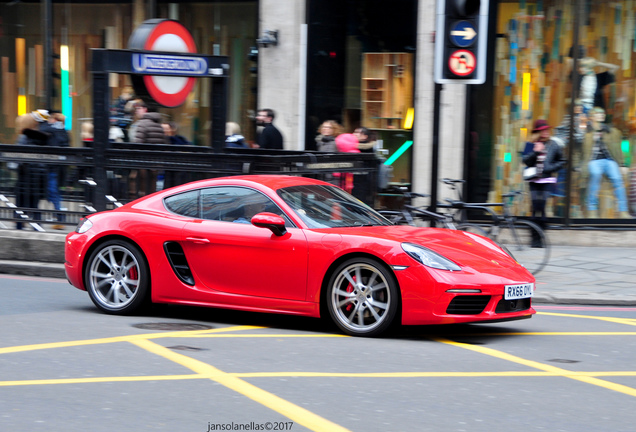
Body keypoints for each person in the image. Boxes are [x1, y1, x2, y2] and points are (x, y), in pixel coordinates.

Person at [581, 107, 631, 218]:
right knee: (595, 175)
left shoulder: (611, 131)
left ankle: (623, 210)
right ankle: (591, 210)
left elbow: (618, 149)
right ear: (592, 117)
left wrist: (622, 164)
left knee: (617, 179)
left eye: (603, 113)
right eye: (598, 113)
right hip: (593, 160)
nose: (602, 115)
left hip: (609, 160)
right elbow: (581, 152)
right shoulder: (587, 133)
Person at [522, 119, 566, 243]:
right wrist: (536, 152)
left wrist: (550, 168)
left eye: (547, 129)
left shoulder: (553, 144)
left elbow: (562, 161)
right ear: (538, 132)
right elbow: (525, 160)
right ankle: (534, 237)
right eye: (543, 130)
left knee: (542, 206)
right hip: (534, 180)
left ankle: (540, 237)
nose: (546, 132)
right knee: (535, 207)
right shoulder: (530, 144)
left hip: (547, 179)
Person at [14, 111, 50, 229]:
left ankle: (19, 225)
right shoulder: (40, 137)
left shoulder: (23, 137)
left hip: (25, 175)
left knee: (20, 203)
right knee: (34, 204)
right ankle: (37, 225)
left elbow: (19, 156)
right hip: (38, 176)